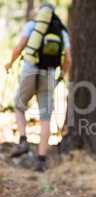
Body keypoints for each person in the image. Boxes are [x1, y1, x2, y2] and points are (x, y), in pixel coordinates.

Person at [4, 3, 72, 172]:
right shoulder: (61, 31)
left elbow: (19, 47)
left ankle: (23, 141)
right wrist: (61, 75)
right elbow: (68, 58)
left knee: (19, 106)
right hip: (49, 74)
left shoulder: (32, 25)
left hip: (29, 69)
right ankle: (41, 160)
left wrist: (10, 63)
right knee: (45, 117)